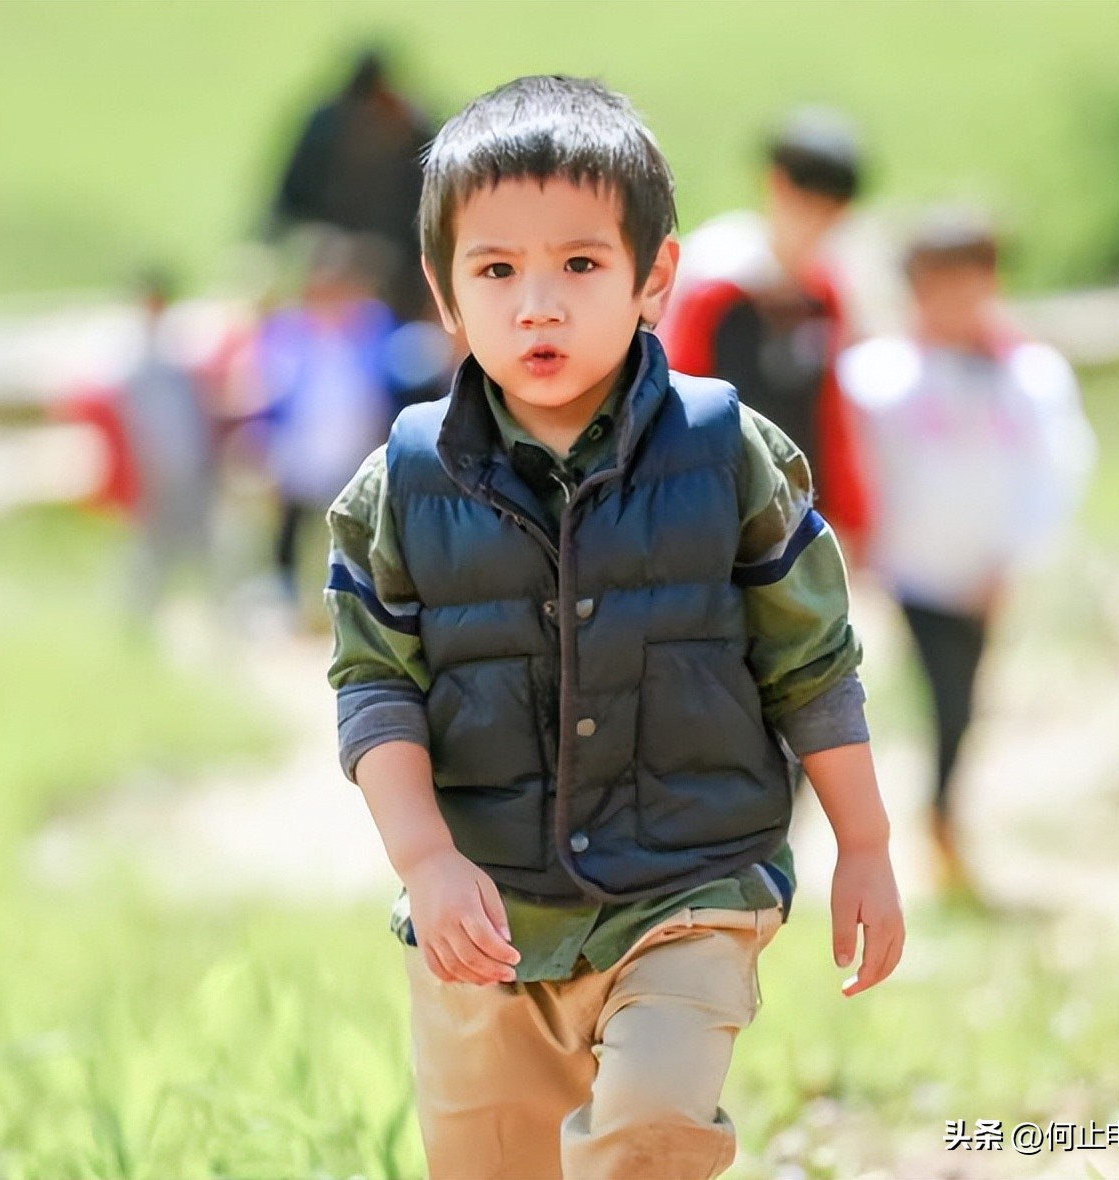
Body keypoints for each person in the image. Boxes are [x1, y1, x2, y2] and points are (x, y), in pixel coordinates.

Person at [325, 76, 904, 1180]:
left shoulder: (730, 456)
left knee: (649, 1130)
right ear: (442, 293)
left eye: (579, 265)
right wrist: (427, 858)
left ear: (655, 278)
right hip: (485, 916)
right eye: (495, 270)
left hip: (692, 882)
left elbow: (811, 661)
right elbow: (374, 687)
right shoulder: (392, 489)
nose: (536, 304)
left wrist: (866, 845)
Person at [838, 210, 1096, 899]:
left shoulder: (1029, 376)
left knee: (960, 706)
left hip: (980, 579)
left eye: (969, 281)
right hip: (902, 574)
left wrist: (1013, 558)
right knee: (862, 700)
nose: (955, 298)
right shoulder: (875, 376)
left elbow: (1056, 470)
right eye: (938, 282)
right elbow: (848, 468)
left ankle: (944, 824)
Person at [659, 106, 874, 560]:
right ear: (776, 185)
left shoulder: (826, 295)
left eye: (830, 209)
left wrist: (851, 515)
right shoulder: (717, 284)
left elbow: (830, 412)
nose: (816, 221)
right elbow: (679, 393)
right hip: (714, 503)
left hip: (797, 512)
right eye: (806, 201)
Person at [257, 230, 403, 607]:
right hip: (301, 445)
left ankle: (348, 597)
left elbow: (386, 377)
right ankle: (286, 594)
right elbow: (271, 386)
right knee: (294, 521)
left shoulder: (371, 325)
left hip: (354, 443)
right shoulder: (291, 329)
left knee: (351, 524)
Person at [268, 48, 434, 320]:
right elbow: (291, 196)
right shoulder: (323, 127)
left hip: (394, 245)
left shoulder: (411, 126)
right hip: (331, 234)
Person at [118, 268, 216, 619]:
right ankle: (138, 617)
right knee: (152, 549)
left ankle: (212, 618)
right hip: (153, 469)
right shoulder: (133, 355)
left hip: (188, 466)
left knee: (201, 546)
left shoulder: (176, 347)